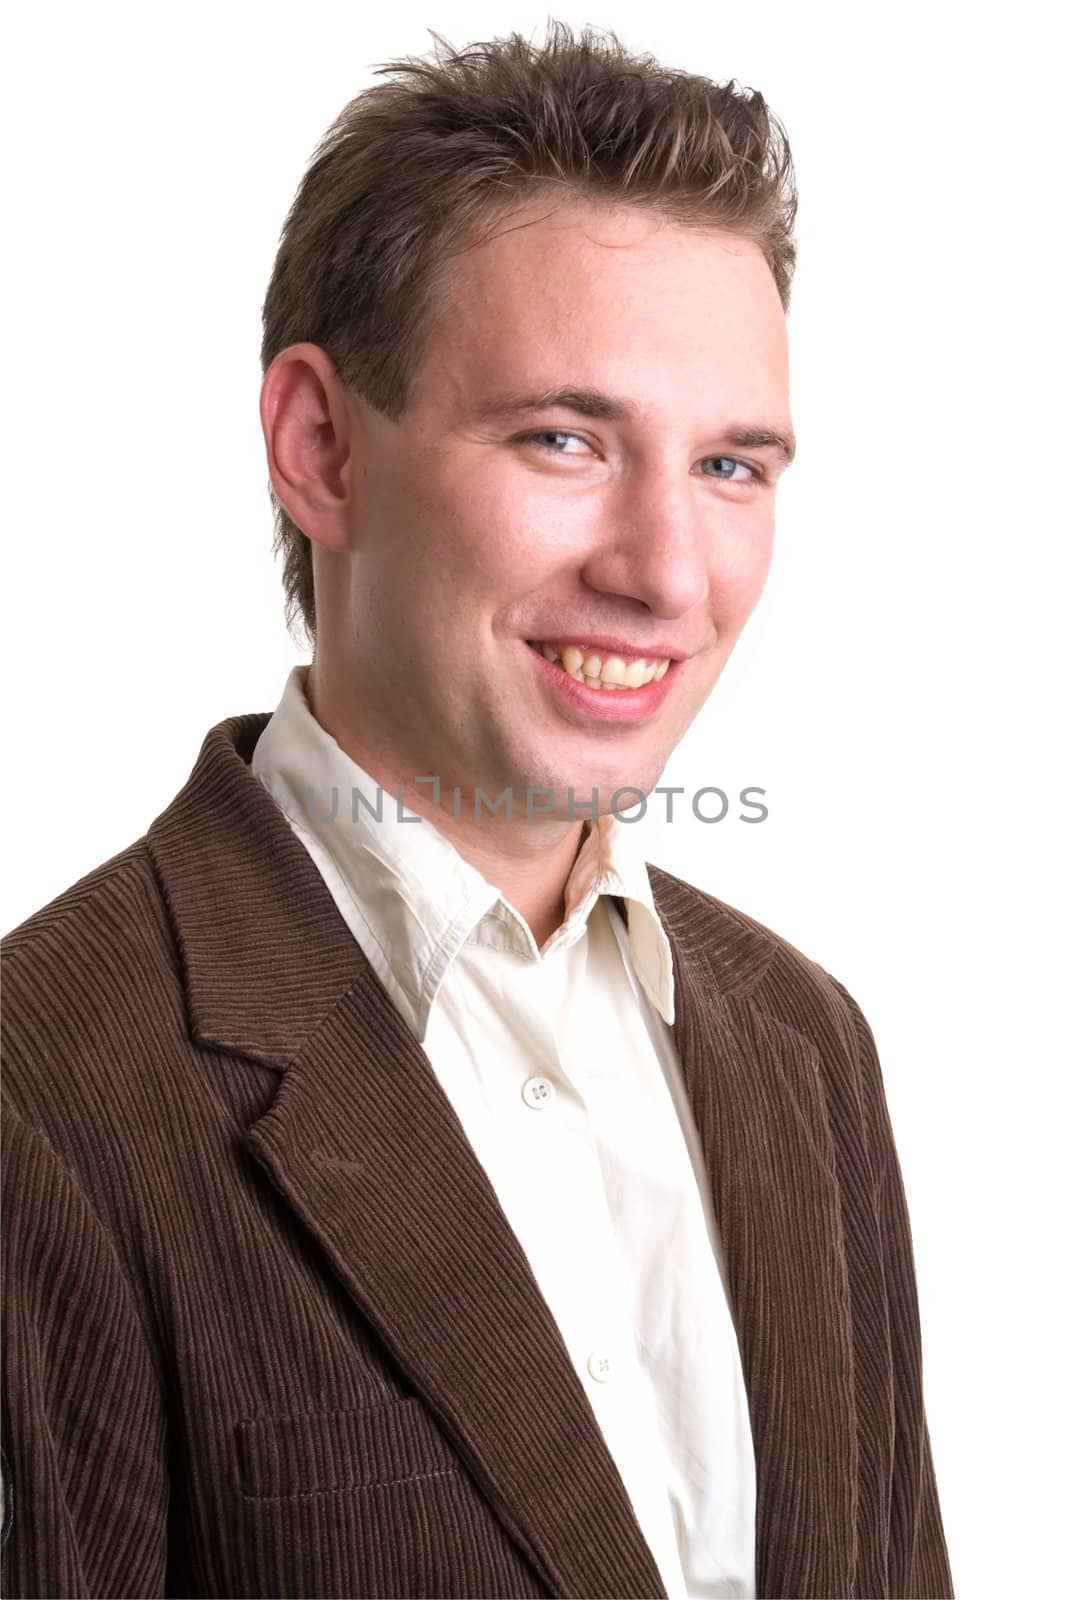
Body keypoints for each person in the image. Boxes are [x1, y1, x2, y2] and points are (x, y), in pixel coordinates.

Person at [0, 22, 953, 1599]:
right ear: (321, 449)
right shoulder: (43, 1098)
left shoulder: (809, 1050)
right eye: (564, 439)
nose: (664, 571)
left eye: (730, 464)